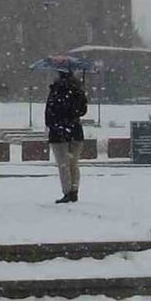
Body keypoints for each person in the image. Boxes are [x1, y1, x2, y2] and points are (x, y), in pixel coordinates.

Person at [45, 68, 89, 203]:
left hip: (59, 133)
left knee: (63, 164)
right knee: (73, 164)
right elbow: (83, 110)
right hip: (75, 131)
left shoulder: (56, 90)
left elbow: (50, 113)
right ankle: (74, 190)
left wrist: (53, 126)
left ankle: (67, 191)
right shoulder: (78, 90)